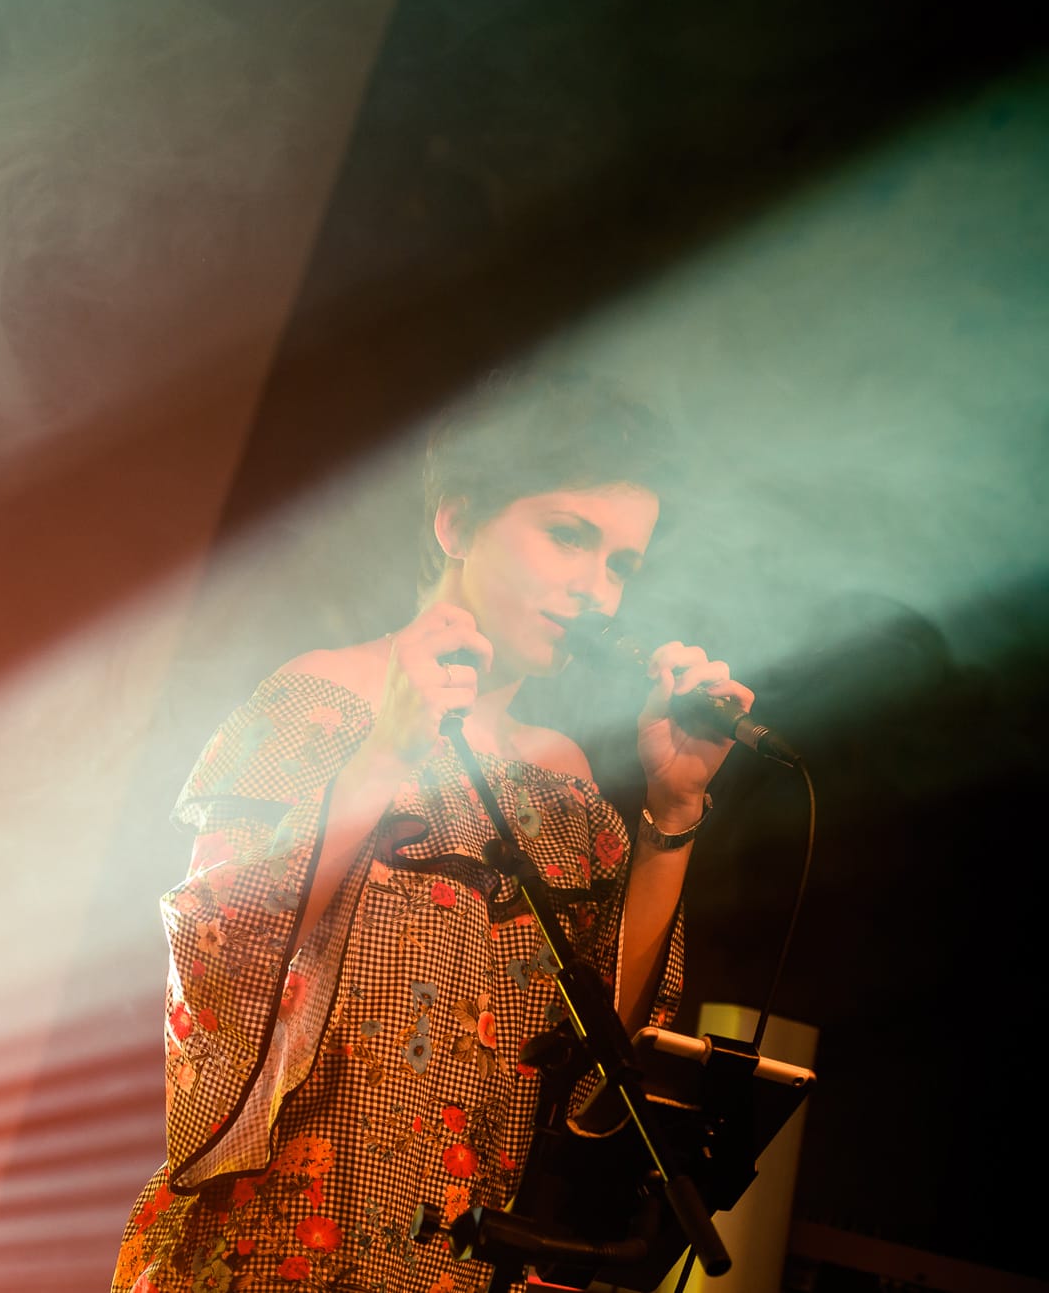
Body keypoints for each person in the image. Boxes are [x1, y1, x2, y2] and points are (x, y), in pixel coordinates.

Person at [111, 375, 753, 1292]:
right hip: (279, 1246)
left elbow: (600, 1065)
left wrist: (674, 813)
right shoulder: (319, 700)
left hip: (455, 1265)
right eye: (569, 536)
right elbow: (225, 949)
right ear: (457, 522)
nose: (597, 591)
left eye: (622, 566)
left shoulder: (564, 781)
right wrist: (386, 753)